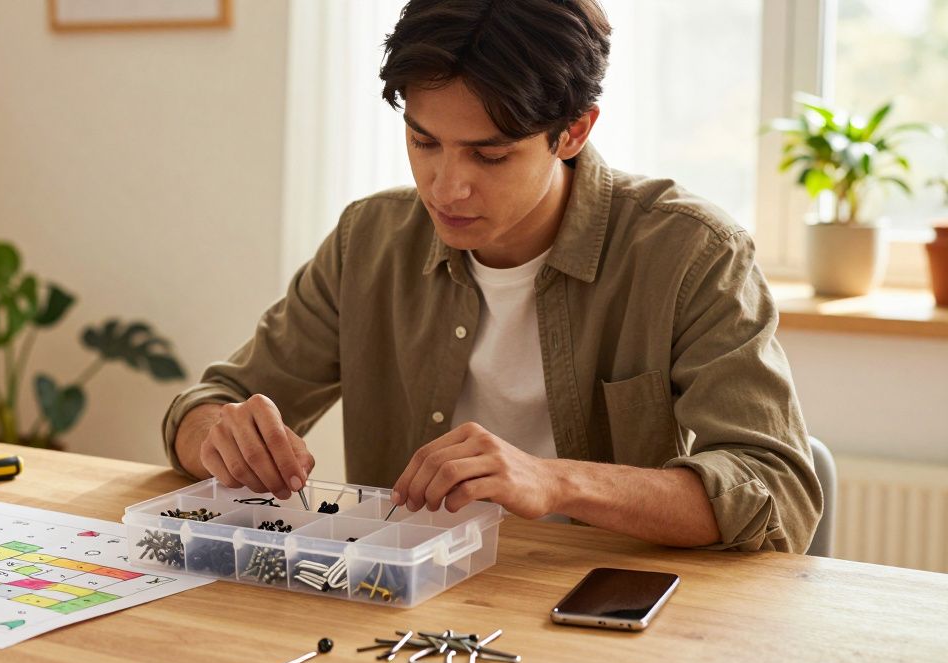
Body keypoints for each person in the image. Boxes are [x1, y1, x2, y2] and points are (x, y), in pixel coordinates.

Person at [161, 0, 821, 552]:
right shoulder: (370, 241)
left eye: (490, 154)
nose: (446, 187)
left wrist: (555, 482)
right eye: (424, 142)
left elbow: (776, 488)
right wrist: (219, 435)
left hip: (606, 618)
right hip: (410, 609)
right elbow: (208, 404)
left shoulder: (689, 253)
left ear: (573, 131)